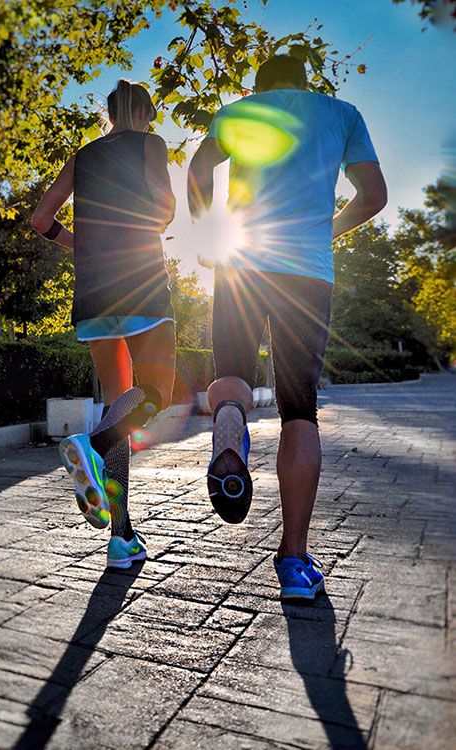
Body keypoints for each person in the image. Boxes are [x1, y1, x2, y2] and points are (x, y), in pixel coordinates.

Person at [187, 55, 387, 600]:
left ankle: (229, 428)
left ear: (260, 87)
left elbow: (198, 171)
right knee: (301, 408)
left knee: (230, 374)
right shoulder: (342, 114)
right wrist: (330, 230)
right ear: (303, 82)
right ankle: (294, 562)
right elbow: (374, 195)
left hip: (242, 262)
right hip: (307, 273)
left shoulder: (238, 112)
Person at [31, 79, 176, 570]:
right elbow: (166, 209)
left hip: (92, 291)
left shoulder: (84, 155)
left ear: (110, 114)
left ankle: (122, 538)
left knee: (119, 405)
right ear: (145, 114)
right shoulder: (150, 145)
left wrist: (82, 245)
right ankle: (91, 447)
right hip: (141, 282)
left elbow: (41, 219)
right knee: (157, 394)